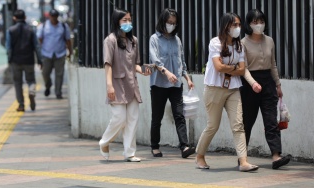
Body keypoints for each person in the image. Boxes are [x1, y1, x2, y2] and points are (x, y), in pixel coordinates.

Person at [195, 13, 259, 172]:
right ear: (226, 26)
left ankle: (243, 162)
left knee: (238, 125)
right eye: (234, 25)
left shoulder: (240, 46)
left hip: (233, 89)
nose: (237, 28)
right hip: (214, 88)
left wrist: (231, 69)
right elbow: (218, 67)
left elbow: (243, 69)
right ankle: (199, 156)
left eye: (238, 25)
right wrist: (234, 69)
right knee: (213, 126)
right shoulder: (215, 43)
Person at [99, 8, 151, 162]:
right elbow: (107, 64)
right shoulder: (110, 40)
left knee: (132, 119)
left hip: (131, 85)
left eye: (129, 19)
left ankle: (129, 152)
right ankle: (104, 142)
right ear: (117, 21)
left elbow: (135, 64)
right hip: (116, 84)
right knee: (119, 118)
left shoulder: (133, 40)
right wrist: (109, 85)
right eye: (124, 20)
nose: (128, 23)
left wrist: (143, 71)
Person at [240, 9, 290, 169]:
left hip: (268, 83)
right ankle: (242, 158)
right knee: (247, 122)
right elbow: (244, 68)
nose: (258, 25)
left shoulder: (269, 41)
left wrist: (278, 85)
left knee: (271, 121)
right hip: (249, 85)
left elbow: (273, 65)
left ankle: (276, 155)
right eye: (254, 22)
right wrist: (253, 83)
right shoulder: (243, 43)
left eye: (261, 21)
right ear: (248, 24)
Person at [149, 8, 196, 158]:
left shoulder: (177, 40)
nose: (171, 25)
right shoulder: (154, 39)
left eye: (174, 23)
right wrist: (167, 73)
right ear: (163, 21)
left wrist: (188, 79)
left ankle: (184, 147)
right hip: (159, 84)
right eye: (169, 22)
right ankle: (155, 146)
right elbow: (155, 61)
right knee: (157, 117)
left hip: (176, 85)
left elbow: (181, 62)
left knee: (179, 115)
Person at [6, 9, 42, 112]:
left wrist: (9, 60)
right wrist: (40, 60)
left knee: (18, 83)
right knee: (30, 80)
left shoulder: (10, 30)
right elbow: (37, 46)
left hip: (15, 61)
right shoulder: (30, 30)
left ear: (14, 18)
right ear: (25, 18)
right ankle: (31, 91)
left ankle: (21, 105)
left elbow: (9, 48)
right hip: (29, 60)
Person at [36, 9, 72, 99]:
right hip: (46, 54)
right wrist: (39, 53)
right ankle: (48, 85)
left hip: (60, 54)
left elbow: (68, 40)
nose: (54, 18)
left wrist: (70, 52)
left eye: (55, 16)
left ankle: (58, 92)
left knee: (59, 74)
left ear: (57, 16)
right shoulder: (44, 26)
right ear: (50, 16)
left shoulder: (63, 26)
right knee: (45, 73)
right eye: (52, 16)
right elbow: (39, 39)